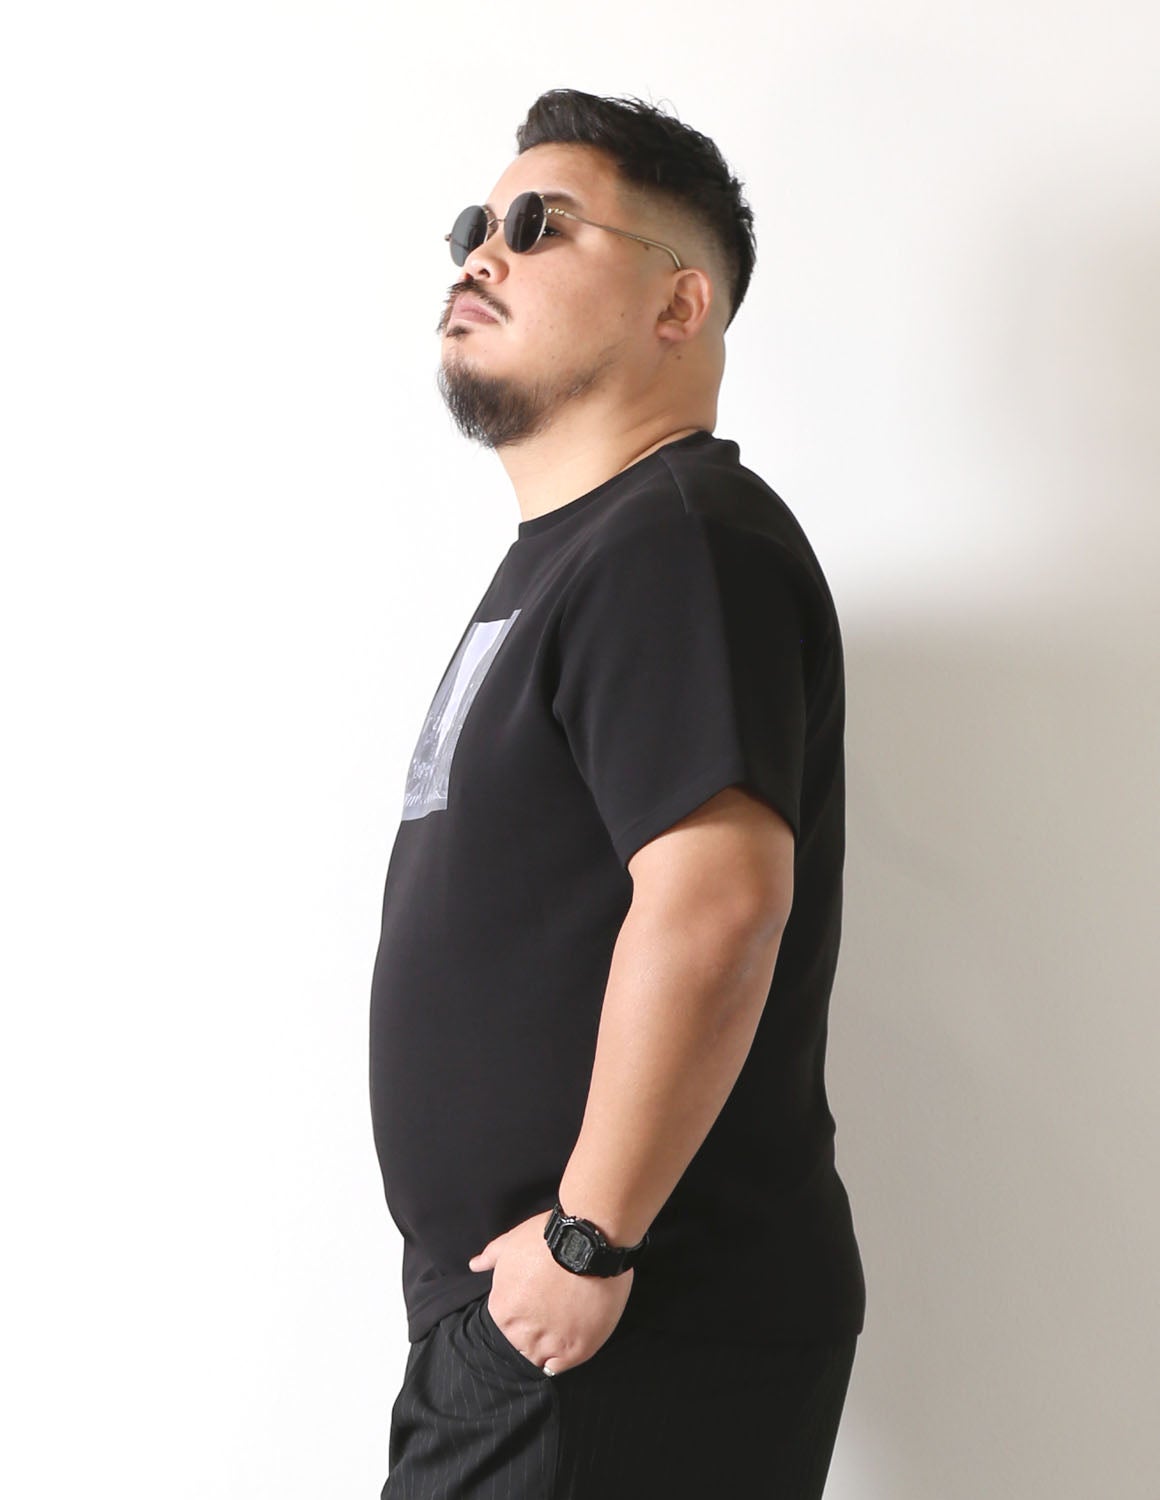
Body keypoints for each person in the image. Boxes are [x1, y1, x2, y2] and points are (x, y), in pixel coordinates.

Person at [369, 87, 866, 1499]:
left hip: (616, 1320)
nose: (483, 251)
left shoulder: (677, 540)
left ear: (679, 303)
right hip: (551, 1324)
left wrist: (588, 1238)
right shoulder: (587, 555)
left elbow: (717, 906)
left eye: (540, 224)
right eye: (475, 226)